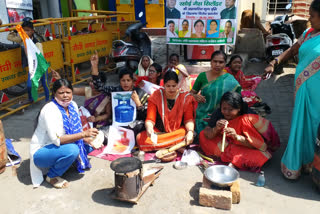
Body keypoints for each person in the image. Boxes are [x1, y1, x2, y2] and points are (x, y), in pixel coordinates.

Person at [264, 0, 320, 180]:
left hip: (317, 92)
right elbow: (292, 50)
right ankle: (300, 163)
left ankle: (313, 164)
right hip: (302, 88)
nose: (309, 20)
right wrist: (275, 62)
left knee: (314, 124)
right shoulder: (309, 33)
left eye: (312, 16)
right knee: (301, 123)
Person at [30, 79, 99, 188]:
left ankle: (65, 162)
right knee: (73, 150)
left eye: (68, 92)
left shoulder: (73, 105)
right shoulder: (50, 110)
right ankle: (52, 175)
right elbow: (58, 140)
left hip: (61, 145)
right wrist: (83, 135)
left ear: (72, 92)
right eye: (61, 93)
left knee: (90, 146)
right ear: (54, 94)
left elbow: (76, 130)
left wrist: (86, 139)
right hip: (43, 151)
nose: (65, 96)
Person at [199, 92, 280, 170]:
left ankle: (233, 158)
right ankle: (234, 159)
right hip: (229, 144)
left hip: (248, 146)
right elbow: (207, 134)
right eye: (224, 108)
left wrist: (236, 136)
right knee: (202, 135)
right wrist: (216, 128)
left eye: (230, 109)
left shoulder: (248, 118)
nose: (226, 112)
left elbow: (259, 146)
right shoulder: (219, 113)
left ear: (239, 109)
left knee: (260, 156)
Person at [90, 52, 149, 136]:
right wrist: (94, 67)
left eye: (128, 80)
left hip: (134, 126)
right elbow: (99, 87)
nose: (126, 83)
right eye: (123, 80)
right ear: (119, 81)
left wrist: (138, 104)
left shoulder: (141, 93)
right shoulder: (116, 91)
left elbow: (147, 116)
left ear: (133, 82)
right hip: (117, 126)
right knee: (99, 133)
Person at [137, 72, 195, 151]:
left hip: (178, 132)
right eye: (168, 86)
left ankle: (166, 145)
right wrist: (149, 128)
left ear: (178, 85)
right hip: (159, 132)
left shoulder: (185, 98)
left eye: (174, 86)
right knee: (140, 139)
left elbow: (188, 120)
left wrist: (190, 132)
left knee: (187, 133)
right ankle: (176, 146)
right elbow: (150, 118)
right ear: (163, 85)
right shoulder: (156, 96)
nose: (171, 89)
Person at [190, 50, 241, 134]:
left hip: (223, 117)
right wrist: (195, 96)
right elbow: (190, 94)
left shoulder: (230, 79)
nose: (217, 64)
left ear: (225, 64)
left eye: (221, 62)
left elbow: (238, 101)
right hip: (203, 116)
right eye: (215, 61)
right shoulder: (202, 76)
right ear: (211, 62)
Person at [8, 18, 50, 104]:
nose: (25, 32)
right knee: (29, 86)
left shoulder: (37, 43)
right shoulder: (23, 40)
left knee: (45, 85)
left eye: (27, 30)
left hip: (40, 66)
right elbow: (9, 37)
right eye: (23, 30)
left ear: (32, 31)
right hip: (33, 67)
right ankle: (31, 99)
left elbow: (40, 57)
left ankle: (49, 100)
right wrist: (15, 31)